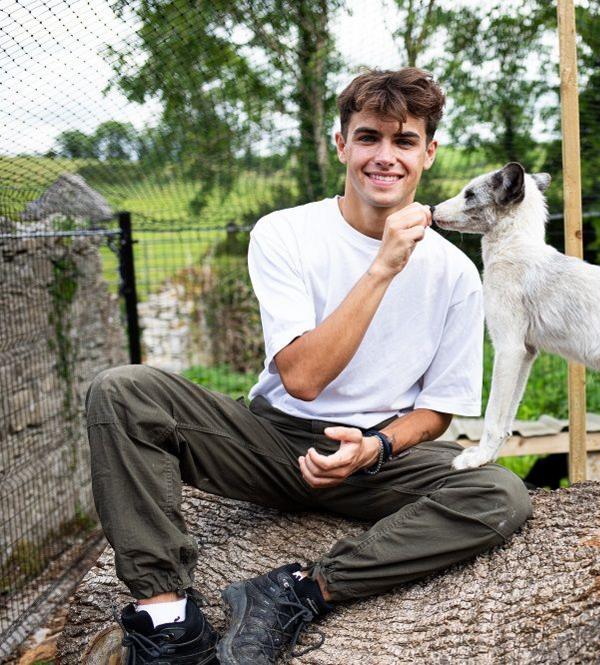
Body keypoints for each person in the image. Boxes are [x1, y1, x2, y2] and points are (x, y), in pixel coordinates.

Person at [85, 67, 532, 665]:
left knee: (499, 493)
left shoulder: (454, 273)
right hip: (271, 439)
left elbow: (437, 412)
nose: (385, 157)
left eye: (404, 142)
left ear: (428, 152)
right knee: (122, 390)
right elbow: (303, 377)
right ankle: (168, 621)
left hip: (375, 461)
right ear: (342, 144)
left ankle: (295, 591)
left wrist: (374, 448)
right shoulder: (285, 233)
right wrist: (382, 267)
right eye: (369, 137)